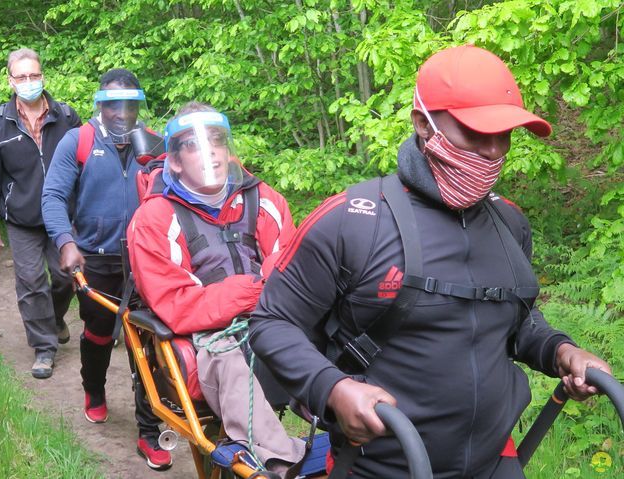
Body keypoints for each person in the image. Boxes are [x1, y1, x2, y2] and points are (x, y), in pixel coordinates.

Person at [249, 45, 613, 478]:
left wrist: (562, 351)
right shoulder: (351, 221)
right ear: (423, 123)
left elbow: (517, 322)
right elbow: (271, 322)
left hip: (496, 462)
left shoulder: (509, 222)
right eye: (476, 132)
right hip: (380, 467)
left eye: (506, 135)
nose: (495, 151)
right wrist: (335, 388)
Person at [126, 102, 305, 474]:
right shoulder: (155, 218)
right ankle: (277, 462)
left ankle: (357, 434)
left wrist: (265, 297)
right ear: (174, 160)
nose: (210, 154)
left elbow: (291, 267)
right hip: (206, 338)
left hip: (272, 317)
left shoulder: (264, 200)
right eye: (194, 145)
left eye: (216, 142)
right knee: (226, 353)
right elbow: (177, 304)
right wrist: (255, 291)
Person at [41, 69, 172, 470]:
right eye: (113, 104)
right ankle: (93, 391)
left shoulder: (153, 142)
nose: (121, 112)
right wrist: (66, 243)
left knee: (148, 345)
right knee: (98, 332)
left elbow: (174, 194)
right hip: (93, 257)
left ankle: (150, 433)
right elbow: (53, 195)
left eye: (129, 104)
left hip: (144, 258)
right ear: (100, 104)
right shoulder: (76, 141)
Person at [0, 48, 80, 379]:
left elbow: (84, 167)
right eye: (21, 77)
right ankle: (44, 347)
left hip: (62, 214)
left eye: (34, 75)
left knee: (68, 275)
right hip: (21, 217)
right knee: (30, 280)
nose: (29, 82)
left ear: (43, 76)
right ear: (11, 81)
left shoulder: (66, 117)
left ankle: (53, 318)